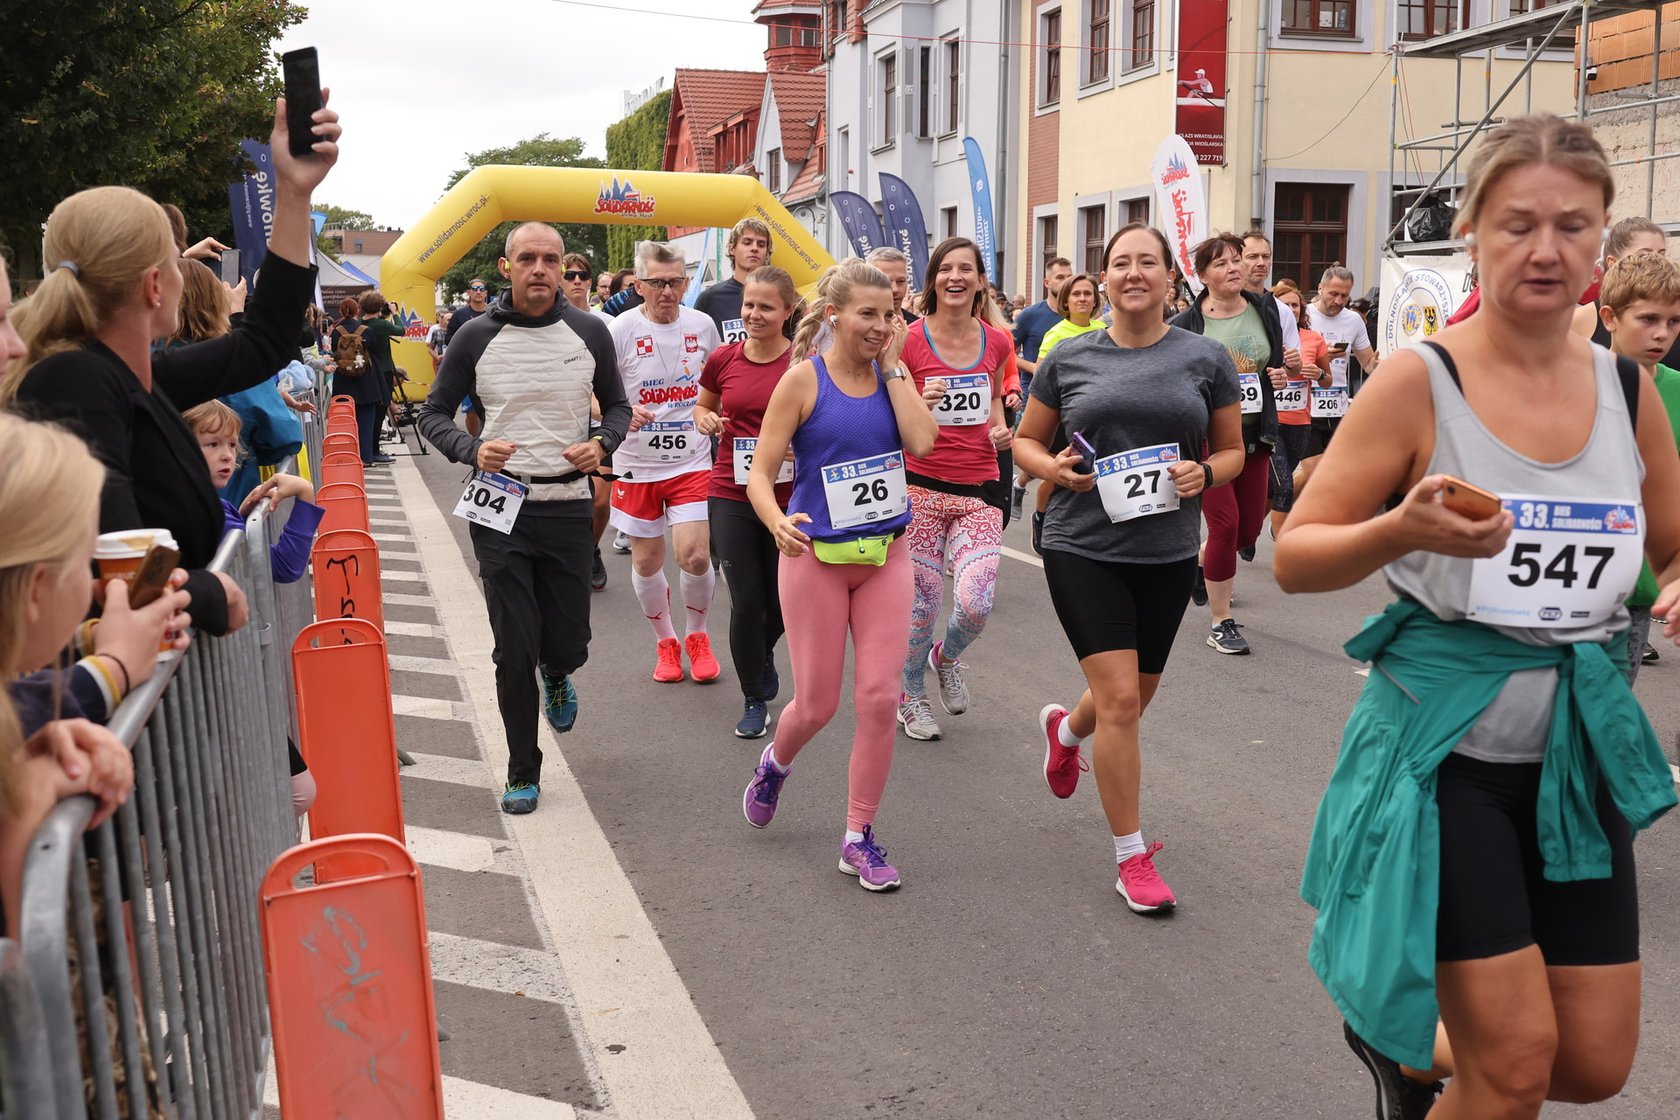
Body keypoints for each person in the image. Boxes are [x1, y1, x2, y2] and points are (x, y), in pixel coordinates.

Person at [1275, 113, 1680, 1120]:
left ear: (1601, 244)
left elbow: (1673, 542)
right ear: (1472, 233)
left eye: (1571, 226)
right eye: (1517, 224)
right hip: (1446, 760)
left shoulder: (1629, 392)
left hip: (1576, 760)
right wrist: (1397, 530)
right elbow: (1295, 555)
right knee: (1513, 1069)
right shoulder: (1421, 381)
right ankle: (1430, 1046)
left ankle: (1409, 1046)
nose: (1545, 249)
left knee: (1592, 1065)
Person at [4, 94, 340, 639]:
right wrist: (207, 594)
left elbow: (265, 341)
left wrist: (294, 192)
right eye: (177, 264)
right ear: (156, 286)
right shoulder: (78, 383)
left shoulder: (129, 376)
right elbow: (121, 563)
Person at [1014, 222, 1243, 913]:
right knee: (1119, 702)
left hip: (1167, 552)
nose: (1133, 273)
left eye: (1148, 262)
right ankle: (1131, 857)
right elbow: (1026, 442)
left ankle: (1065, 732)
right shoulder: (1069, 356)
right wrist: (1053, 468)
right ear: (1103, 278)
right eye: (1120, 263)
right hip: (1082, 545)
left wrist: (1206, 472)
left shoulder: (1205, 357)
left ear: (1172, 277)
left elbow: (1231, 450)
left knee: (1130, 701)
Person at [738, 258, 938, 891]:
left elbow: (923, 443)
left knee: (879, 699)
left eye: (890, 315)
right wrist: (776, 521)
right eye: (867, 315)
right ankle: (775, 763)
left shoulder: (893, 376)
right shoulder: (802, 380)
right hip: (815, 558)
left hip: (886, 554)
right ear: (835, 315)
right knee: (816, 705)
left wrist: (896, 369)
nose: (881, 326)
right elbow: (760, 473)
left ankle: (858, 836)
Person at [419, 222, 631, 815]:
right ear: (506, 266)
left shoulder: (590, 330)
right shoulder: (472, 335)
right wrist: (471, 450)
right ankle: (522, 770)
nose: (540, 268)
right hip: (500, 506)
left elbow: (618, 406)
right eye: (528, 258)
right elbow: (432, 414)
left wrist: (602, 442)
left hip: (567, 506)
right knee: (513, 649)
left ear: (563, 267)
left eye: (551, 259)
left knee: (568, 642)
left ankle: (558, 672)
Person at [891, 238, 1014, 742]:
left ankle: (947, 656)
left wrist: (1001, 430)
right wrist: (918, 399)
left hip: (979, 488)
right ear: (933, 280)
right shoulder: (908, 341)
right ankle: (910, 695)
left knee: (977, 602)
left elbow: (994, 403)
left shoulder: (998, 342)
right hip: (919, 487)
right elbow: (886, 413)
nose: (956, 277)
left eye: (966, 269)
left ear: (981, 281)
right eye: (946, 269)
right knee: (921, 606)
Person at [185, 399, 325, 814]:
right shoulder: (211, 513)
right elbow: (283, 567)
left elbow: (274, 567)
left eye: (231, 444)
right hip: (222, 680)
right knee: (291, 793)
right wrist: (304, 495)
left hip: (227, 676)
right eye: (212, 444)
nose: (227, 455)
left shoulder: (218, 508)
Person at [608, 241, 724, 684]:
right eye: (657, 283)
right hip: (636, 463)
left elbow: (719, 383)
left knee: (694, 555)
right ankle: (666, 642)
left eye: (676, 281)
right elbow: (592, 393)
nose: (668, 291)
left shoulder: (702, 325)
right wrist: (620, 412)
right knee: (646, 562)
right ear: (639, 285)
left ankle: (697, 635)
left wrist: (713, 413)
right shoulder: (620, 330)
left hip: (690, 460)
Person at [694, 266, 800, 738]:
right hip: (731, 491)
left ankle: (762, 651)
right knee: (747, 598)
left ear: (788, 311)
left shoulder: (804, 363)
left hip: (789, 496)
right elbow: (704, 404)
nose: (754, 314)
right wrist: (704, 419)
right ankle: (753, 697)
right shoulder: (724, 357)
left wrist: (801, 446)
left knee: (782, 601)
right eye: (749, 305)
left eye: (766, 307)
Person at [1170, 234, 1286, 655]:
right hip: (1209, 441)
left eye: (1236, 260)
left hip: (1255, 436)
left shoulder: (1265, 308)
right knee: (1226, 525)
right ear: (1202, 276)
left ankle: (1202, 560)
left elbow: (1273, 365)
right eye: (1221, 264)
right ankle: (1221, 622)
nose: (1234, 268)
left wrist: (1278, 375)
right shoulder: (1185, 325)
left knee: (1249, 530)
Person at [1595, 251, 1680, 679]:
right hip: (1569, 582)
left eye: (1674, 321)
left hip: (1638, 591)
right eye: (1648, 319)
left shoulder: (1677, 390)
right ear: (1610, 318)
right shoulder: (1575, 380)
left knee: (1610, 707)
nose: (1662, 333)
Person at [1299, 264, 1380, 488]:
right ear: (1320, 288)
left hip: (1337, 407)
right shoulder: (1304, 315)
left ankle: (1285, 502)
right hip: (1307, 407)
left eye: (1344, 295)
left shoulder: (1353, 320)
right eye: (1333, 294)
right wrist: (1321, 356)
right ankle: (1277, 502)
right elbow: (1289, 358)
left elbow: (1367, 362)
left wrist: (1377, 366)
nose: (1338, 300)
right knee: (1314, 473)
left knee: (1336, 474)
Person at [559, 253, 612, 591]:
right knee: (566, 497)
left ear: (591, 281)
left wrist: (606, 406)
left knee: (600, 500)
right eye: (570, 275)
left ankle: (591, 549)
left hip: (602, 422)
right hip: (563, 420)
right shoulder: (549, 322)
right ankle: (571, 554)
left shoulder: (607, 323)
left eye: (583, 274)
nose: (576, 280)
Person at [1269, 279, 1329, 540]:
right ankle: (1284, 543)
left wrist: (1319, 374)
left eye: (1296, 305)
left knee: (1275, 488)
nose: (1291, 309)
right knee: (1283, 486)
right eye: (1286, 305)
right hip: (1270, 422)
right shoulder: (1267, 336)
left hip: (1300, 423)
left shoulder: (1313, 339)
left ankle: (1246, 534)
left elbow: (1328, 380)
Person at [694, 218, 772, 345]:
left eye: (761, 244)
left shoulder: (778, 297)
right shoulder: (709, 299)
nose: (754, 248)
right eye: (747, 243)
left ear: (767, 252)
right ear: (732, 249)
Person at [447, 277, 491, 438]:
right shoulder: (460, 315)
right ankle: (475, 442)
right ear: (469, 292)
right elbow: (448, 339)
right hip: (469, 369)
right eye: (474, 289)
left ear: (486, 293)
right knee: (471, 411)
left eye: (481, 289)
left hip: (491, 367)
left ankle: (488, 439)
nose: (478, 292)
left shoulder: (494, 312)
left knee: (491, 409)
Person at [865, 246, 920, 323]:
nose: (895, 289)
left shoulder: (919, 326)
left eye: (901, 281)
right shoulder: (856, 326)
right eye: (886, 281)